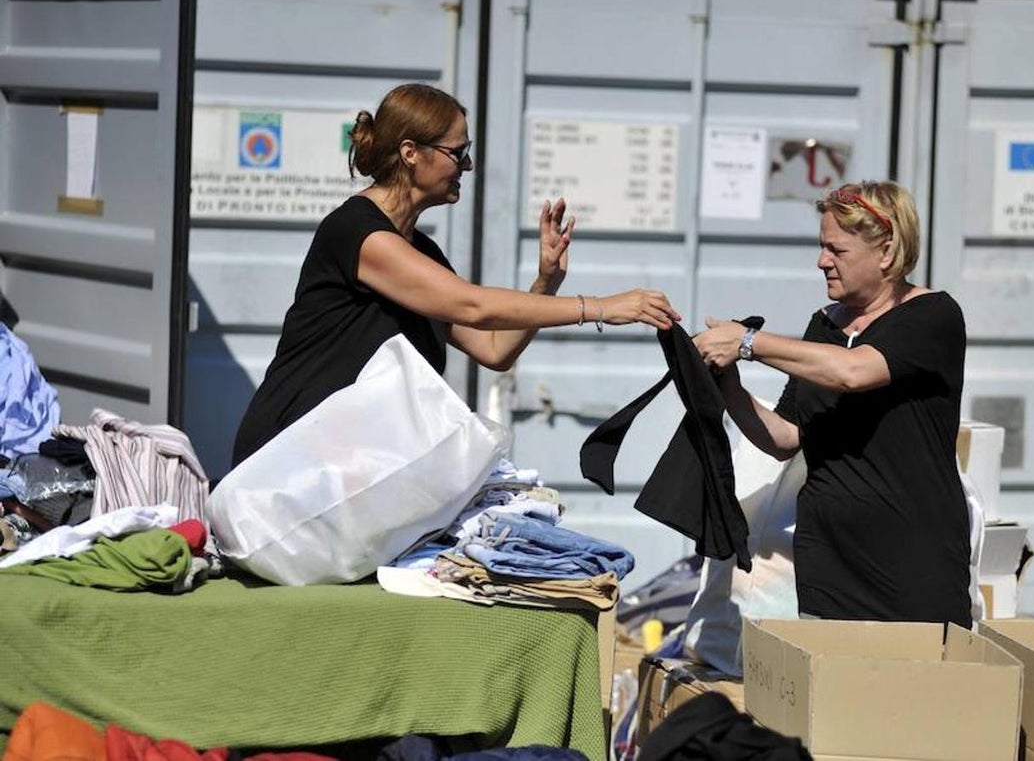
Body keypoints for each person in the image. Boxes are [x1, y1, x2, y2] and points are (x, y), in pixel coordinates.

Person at [231, 83, 679, 467]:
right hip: (286, 459)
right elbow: (474, 305)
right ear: (410, 153)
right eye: (457, 152)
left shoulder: (420, 251)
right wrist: (600, 307)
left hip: (347, 467)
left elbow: (494, 348)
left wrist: (545, 284)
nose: (467, 165)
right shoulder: (358, 233)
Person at [691, 180, 971, 628]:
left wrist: (747, 341)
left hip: (914, 564)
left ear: (886, 253)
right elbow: (785, 437)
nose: (822, 261)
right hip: (829, 564)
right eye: (822, 247)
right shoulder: (823, 325)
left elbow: (853, 372)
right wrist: (727, 384)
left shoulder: (933, 316)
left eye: (836, 250)